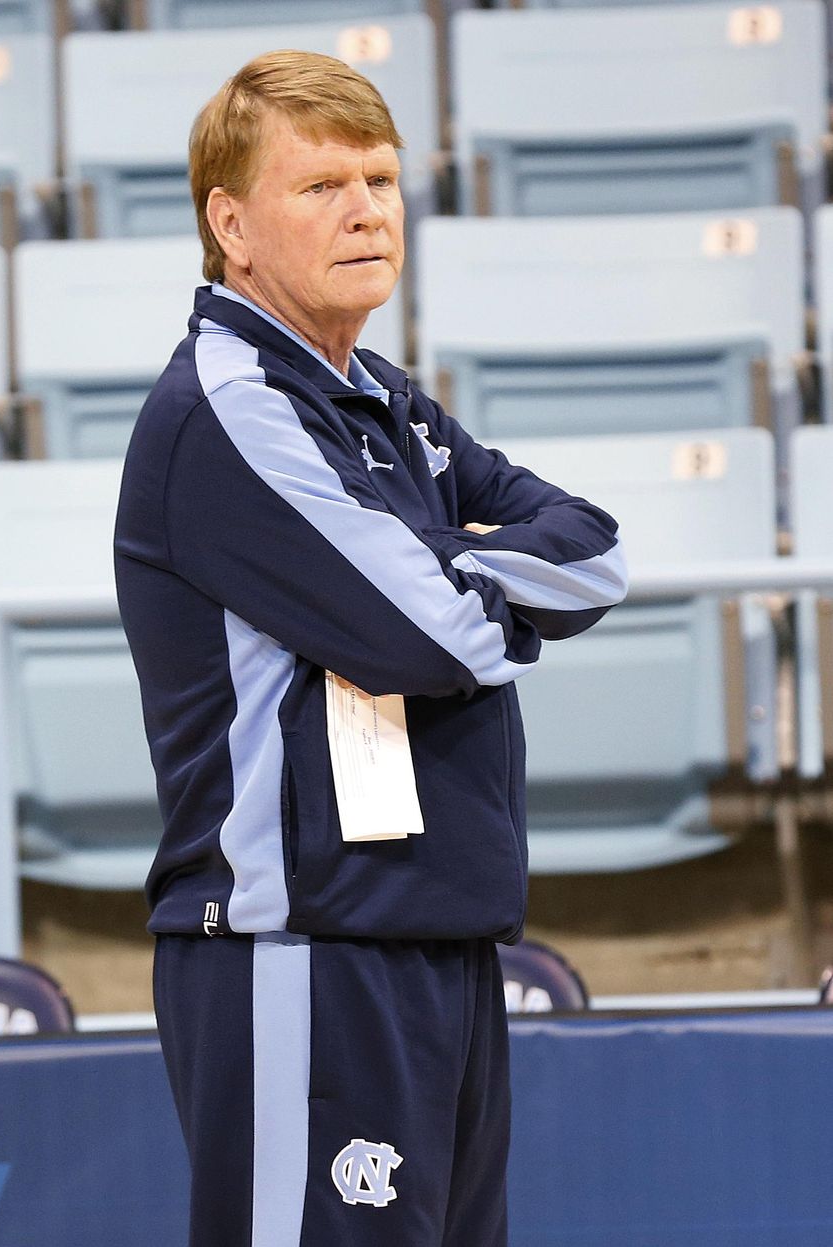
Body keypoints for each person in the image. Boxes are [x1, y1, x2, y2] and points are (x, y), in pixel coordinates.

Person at [114, 49, 627, 1247]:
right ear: (229, 224)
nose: (365, 210)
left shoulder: (381, 399)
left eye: (382, 180)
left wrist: (435, 569)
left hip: (434, 940)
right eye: (322, 185)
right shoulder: (228, 405)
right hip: (302, 950)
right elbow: (427, 631)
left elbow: (594, 552)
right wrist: (458, 573)